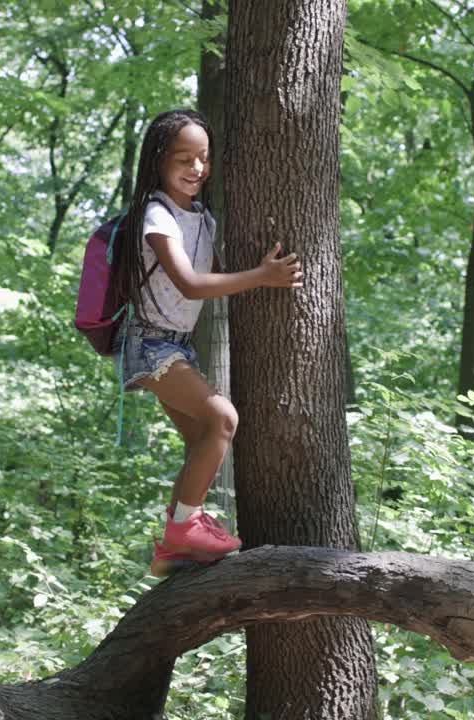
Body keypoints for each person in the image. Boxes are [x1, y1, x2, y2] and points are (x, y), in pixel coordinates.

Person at [111, 109, 304, 576]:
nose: (196, 168)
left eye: (203, 158)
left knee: (202, 437)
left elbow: (217, 269)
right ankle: (185, 528)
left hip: (180, 346)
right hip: (152, 346)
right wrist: (264, 276)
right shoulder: (156, 216)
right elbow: (193, 284)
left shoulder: (201, 217)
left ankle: (171, 549)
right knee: (223, 418)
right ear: (158, 161)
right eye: (184, 158)